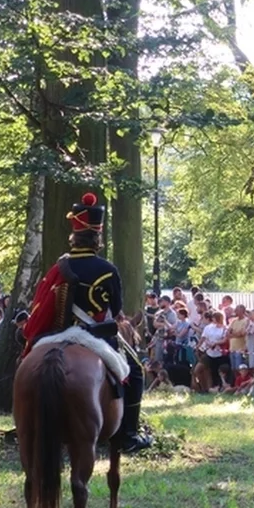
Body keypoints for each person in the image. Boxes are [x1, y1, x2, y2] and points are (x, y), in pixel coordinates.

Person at [21, 192, 152, 453]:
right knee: (136, 371)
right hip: (95, 336)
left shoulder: (59, 267)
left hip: (57, 335)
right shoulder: (108, 270)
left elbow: (42, 304)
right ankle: (128, 435)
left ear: (74, 235)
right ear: (98, 237)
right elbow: (116, 312)